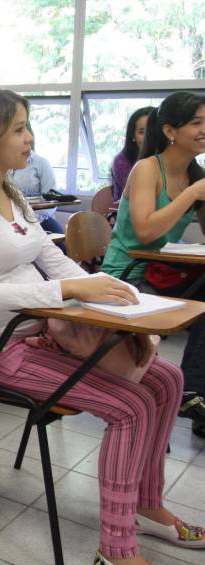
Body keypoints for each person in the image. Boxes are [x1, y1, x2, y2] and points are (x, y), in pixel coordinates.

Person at [0, 88, 205, 565]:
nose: (29, 138)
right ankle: (116, 550)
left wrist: (121, 297)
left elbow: (54, 262)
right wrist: (71, 293)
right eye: (17, 128)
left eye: (26, 126)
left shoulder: (10, 193)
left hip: (38, 334)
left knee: (169, 378)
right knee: (131, 407)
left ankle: (147, 506)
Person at [102, 92, 205, 437]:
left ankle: (193, 389)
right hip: (127, 273)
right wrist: (192, 195)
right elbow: (145, 231)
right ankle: (191, 391)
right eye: (197, 123)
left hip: (160, 269)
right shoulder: (147, 169)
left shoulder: (195, 173)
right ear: (171, 131)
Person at [9, 140, 67, 238]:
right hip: (11, 221)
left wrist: (31, 220)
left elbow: (51, 200)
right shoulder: (4, 164)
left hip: (41, 220)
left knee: (61, 247)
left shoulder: (41, 163)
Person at [112, 107, 155, 202]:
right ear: (133, 136)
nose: (148, 136)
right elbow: (141, 199)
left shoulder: (167, 157)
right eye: (142, 132)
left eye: (153, 131)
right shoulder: (121, 161)